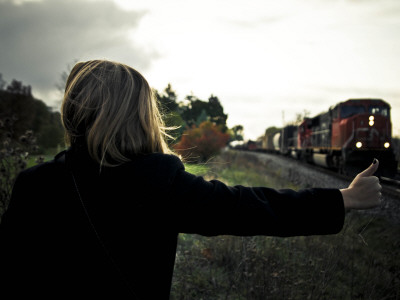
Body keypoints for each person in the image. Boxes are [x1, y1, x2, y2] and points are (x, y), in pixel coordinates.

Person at [0, 60, 382, 299]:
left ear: (72, 113)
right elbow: (251, 208)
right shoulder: (162, 185)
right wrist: (342, 199)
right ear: (141, 116)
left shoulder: (35, 184)